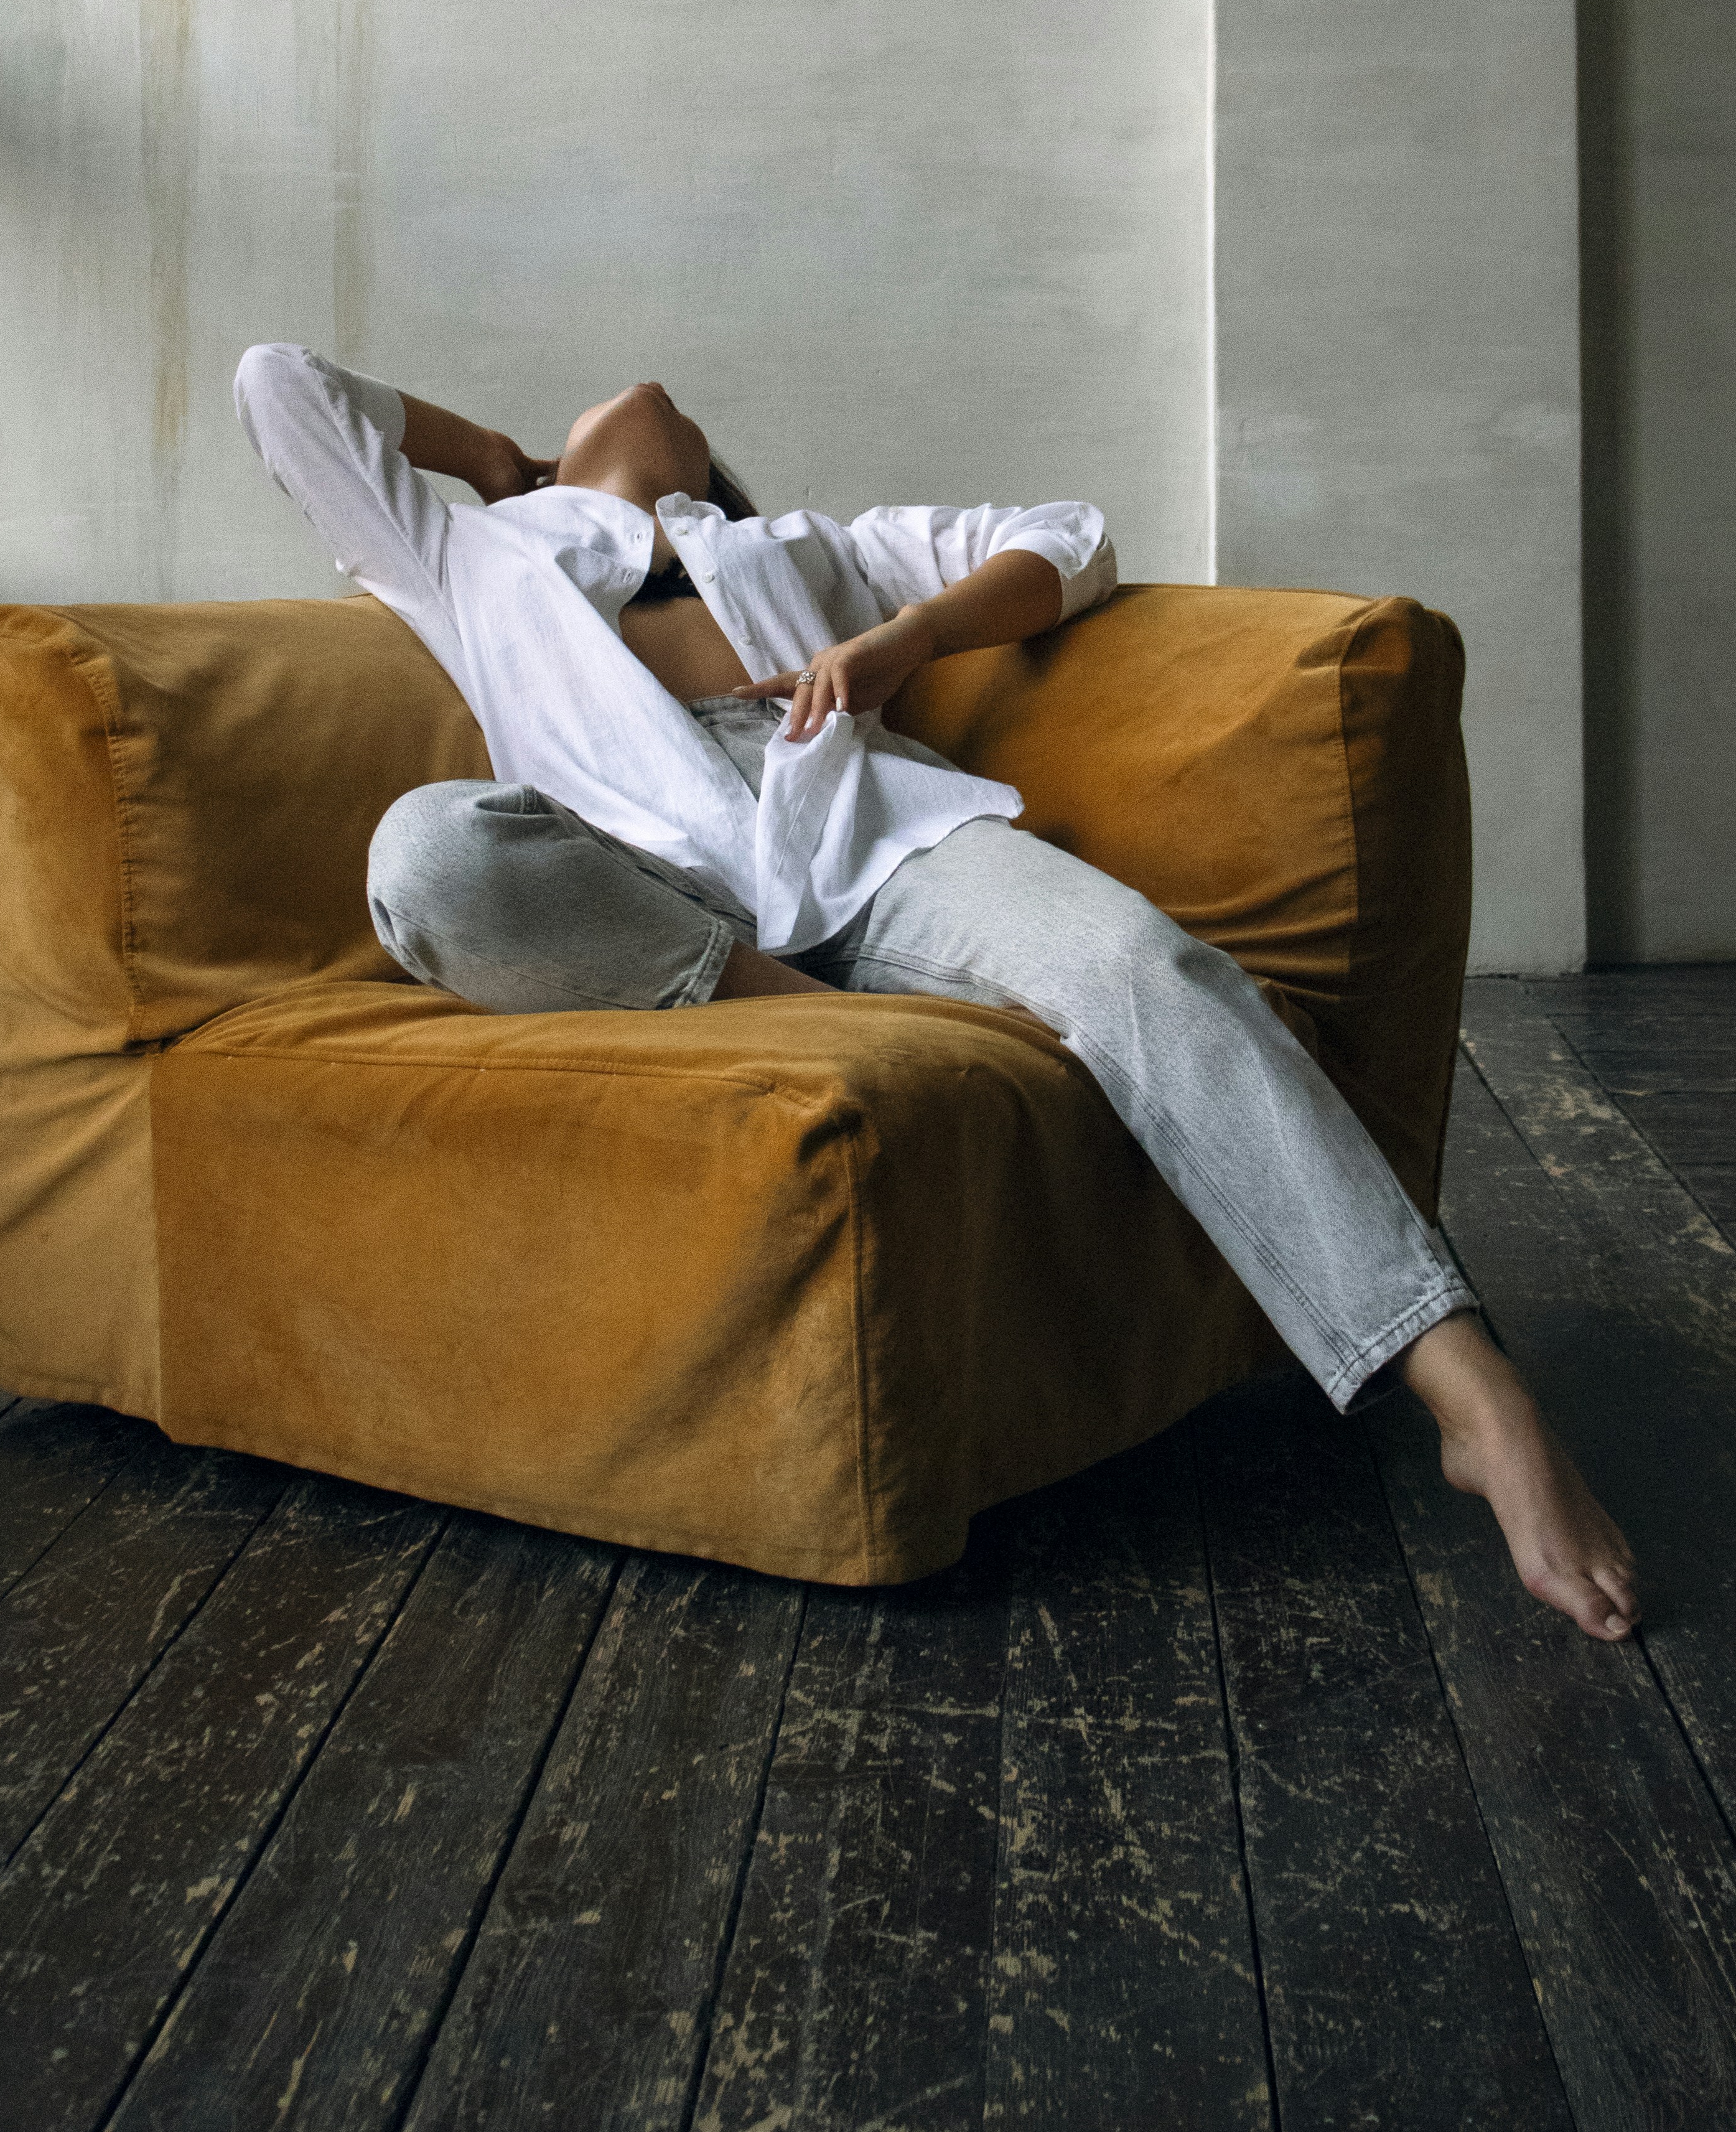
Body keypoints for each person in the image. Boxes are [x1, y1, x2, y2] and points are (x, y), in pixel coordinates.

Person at [236, 343, 1638, 1642]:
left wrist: (903, 641)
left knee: (1150, 968)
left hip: (884, 851)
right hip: (634, 889)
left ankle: (1469, 1389)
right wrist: (485, 454)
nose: (647, 382)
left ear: (713, 474)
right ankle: (784, 998)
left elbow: (1069, 541)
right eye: (588, 414)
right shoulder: (464, 555)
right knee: (432, 851)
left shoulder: (810, 551)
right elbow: (281, 383)